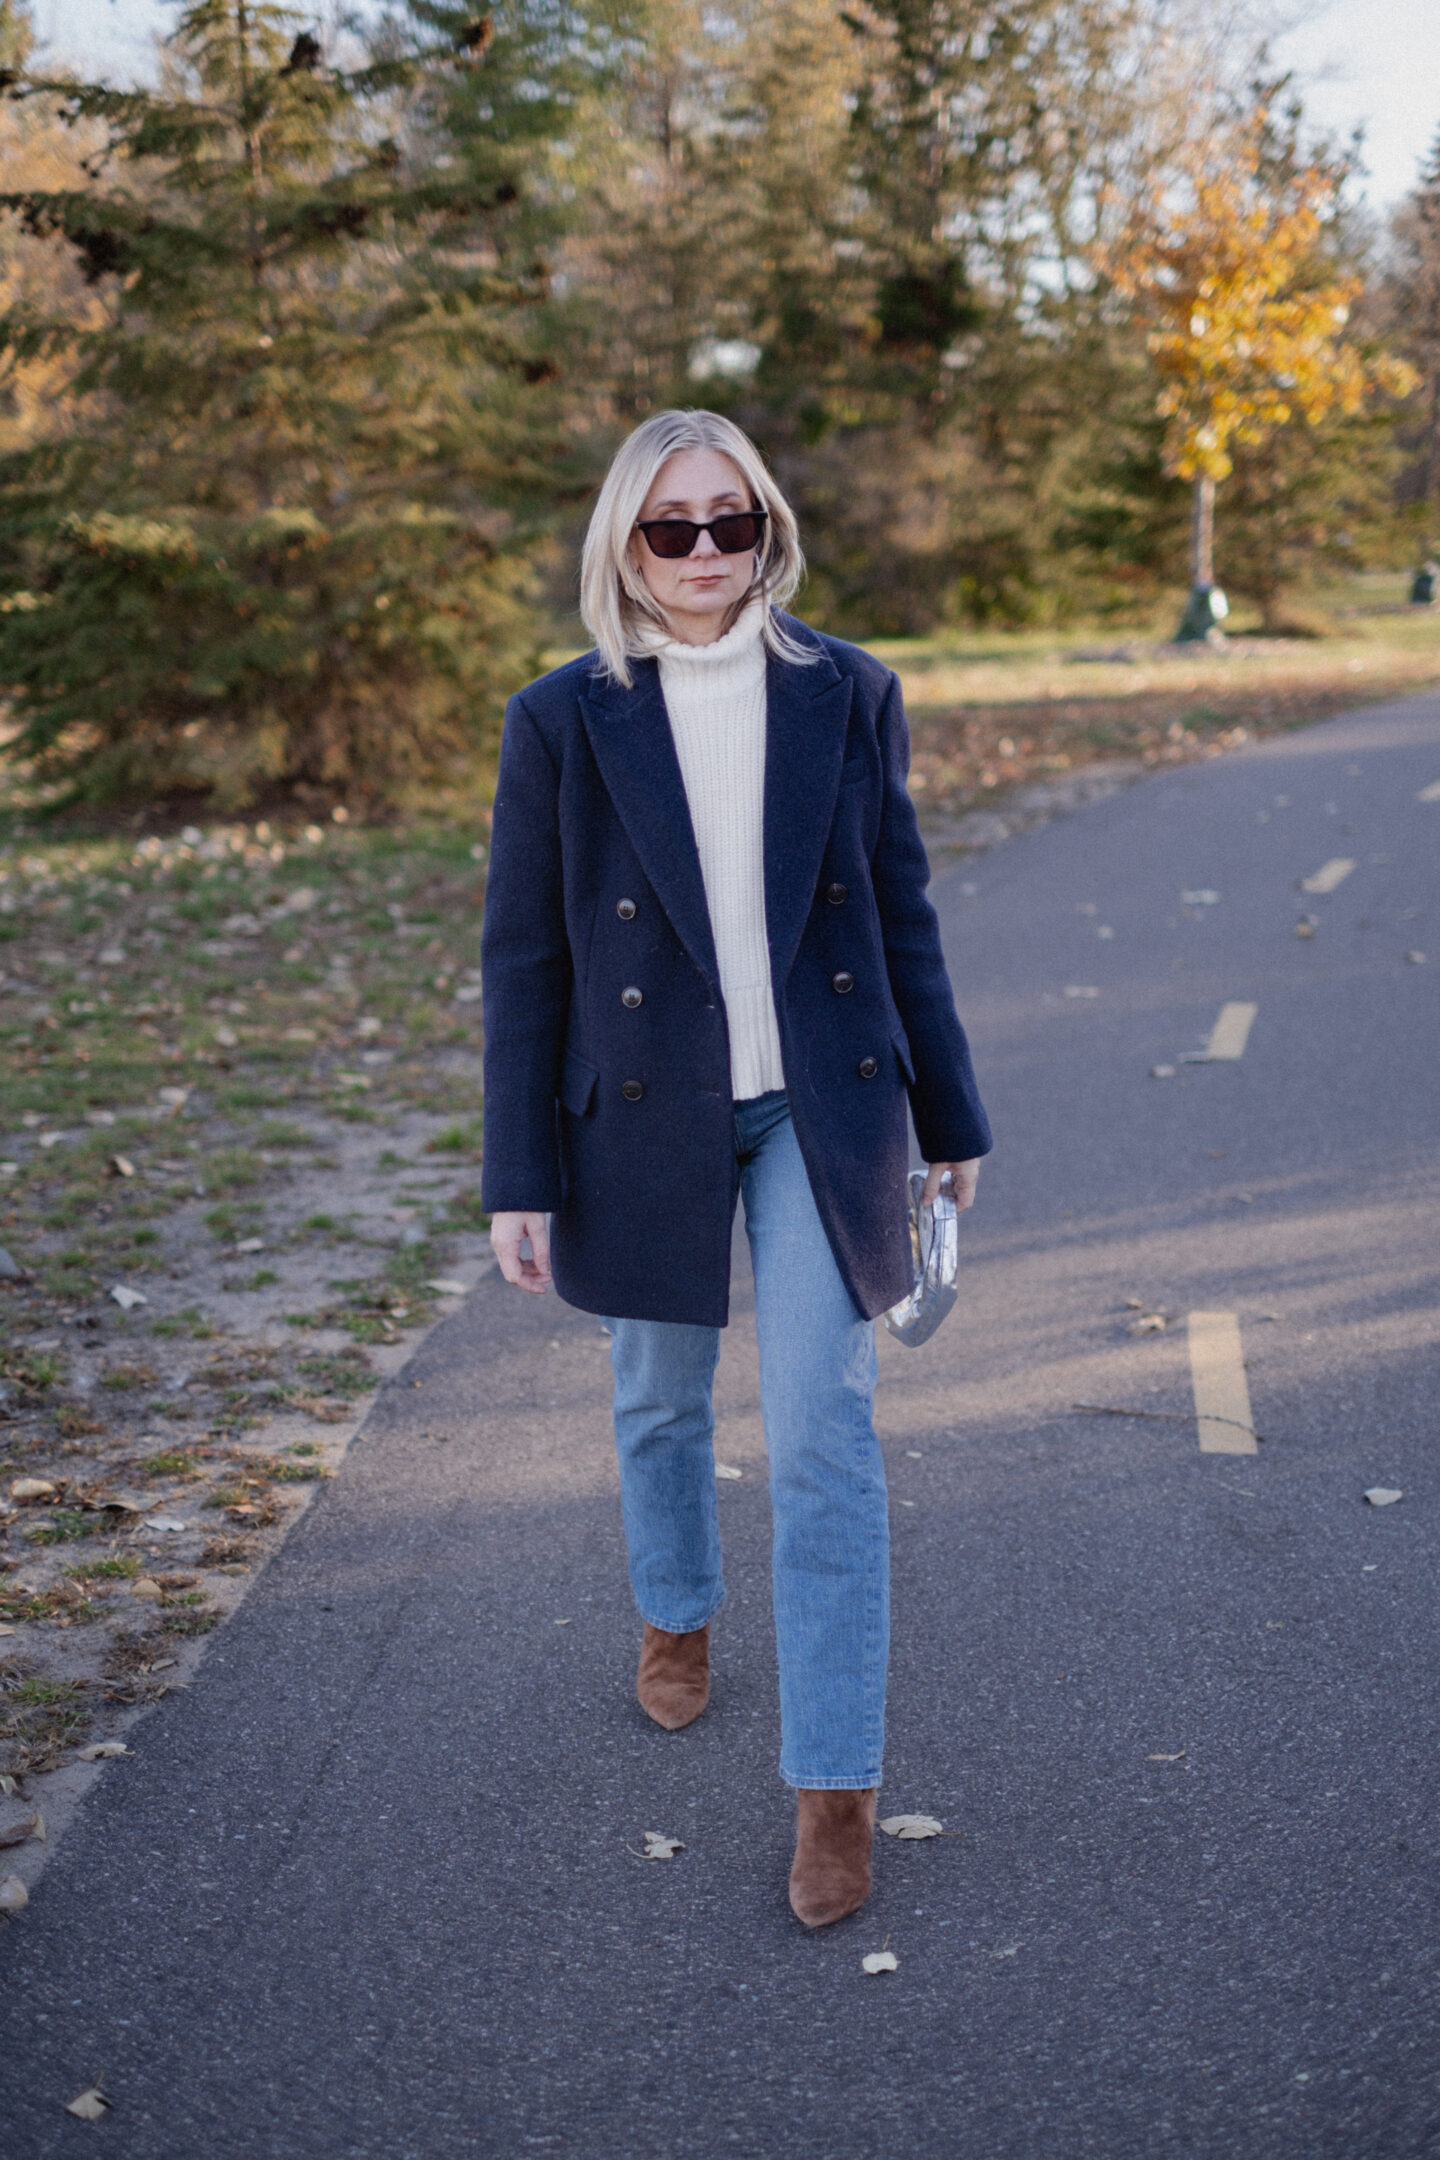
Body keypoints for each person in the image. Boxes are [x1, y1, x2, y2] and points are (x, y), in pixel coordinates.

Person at [481, 409, 991, 1928]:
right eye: (670, 529)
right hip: (639, 1111)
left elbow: (903, 918)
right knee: (657, 1393)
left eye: (732, 523)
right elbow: (525, 962)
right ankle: (677, 1612)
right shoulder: (562, 721)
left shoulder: (850, 695)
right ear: (623, 549)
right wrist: (518, 1169)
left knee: (827, 1434)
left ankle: (835, 1788)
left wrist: (953, 1118)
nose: (706, 555)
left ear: (767, 527)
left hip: (819, 1110)